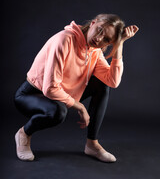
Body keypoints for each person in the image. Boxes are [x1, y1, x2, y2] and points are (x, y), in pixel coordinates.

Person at [14, 13, 139, 162]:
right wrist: (80, 107)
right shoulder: (64, 39)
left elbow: (112, 81)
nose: (99, 39)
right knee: (58, 112)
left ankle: (92, 144)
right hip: (31, 94)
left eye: (106, 39)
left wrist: (120, 44)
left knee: (102, 86)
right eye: (99, 30)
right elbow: (50, 88)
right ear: (93, 23)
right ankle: (23, 133)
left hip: (59, 94)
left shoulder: (95, 51)